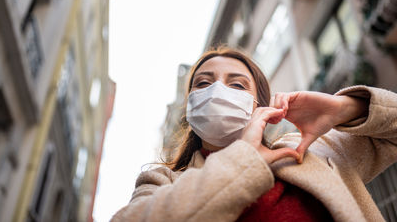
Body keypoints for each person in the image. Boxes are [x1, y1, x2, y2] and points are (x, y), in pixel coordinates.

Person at [111, 47, 397, 222]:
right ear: (189, 107)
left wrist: (345, 107)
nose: (217, 91)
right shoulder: (161, 182)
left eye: (236, 85)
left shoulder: (310, 153)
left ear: (259, 105)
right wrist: (243, 159)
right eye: (203, 83)